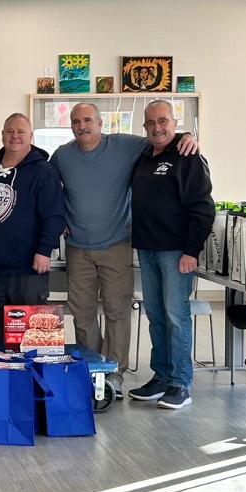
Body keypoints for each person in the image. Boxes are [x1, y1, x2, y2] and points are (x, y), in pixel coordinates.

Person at [50, 102, 197, 397]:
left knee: (117, 312)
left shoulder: (126, 146)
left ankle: (114, 374)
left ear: (100, 123)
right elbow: (50, 190)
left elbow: (161, 136)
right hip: (78, 248)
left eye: (88, 120)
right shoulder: (62, 156)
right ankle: (92, 369)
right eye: (76, 122)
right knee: (83, 313)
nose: (82, 126)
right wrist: (59, 217)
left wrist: (188, 136)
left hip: (116, 244)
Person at [128, 101, 214, 410]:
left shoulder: (188, 156)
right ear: (144, 127)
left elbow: (203, 207)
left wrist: (191, 250)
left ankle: (181, 383)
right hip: (147, 249)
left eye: (163, 120)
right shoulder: (144, 156)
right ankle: (162, 376)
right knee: (156, 315)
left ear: (174, 123)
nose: (157, 127)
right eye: (151, 122)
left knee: (176, 317)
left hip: (177, 252)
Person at [0, 113, 65, 346]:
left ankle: (31, 373)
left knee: (31, 340)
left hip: (29, 270)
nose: (15, 136)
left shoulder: (44, 171)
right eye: (10, 131)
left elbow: (55, 215)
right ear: (2, 135)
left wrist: (44, 250)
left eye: (21, 132)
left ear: (31, 136)